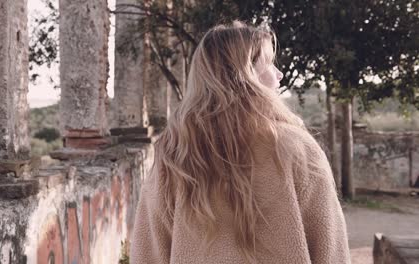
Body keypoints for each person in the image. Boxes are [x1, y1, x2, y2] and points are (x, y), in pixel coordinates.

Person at [129, 21, 351, 264]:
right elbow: (331, 250)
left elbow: (147, 253)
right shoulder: (297, 149)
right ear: (245, 75)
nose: (279, 74)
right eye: (268, 63)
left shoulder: (175, 153)